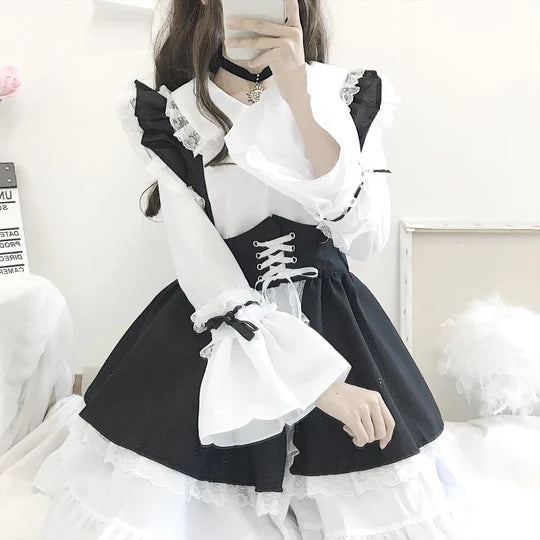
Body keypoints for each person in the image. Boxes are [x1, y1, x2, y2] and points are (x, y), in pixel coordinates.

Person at [33, 0, 465, 538]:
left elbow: (365, 236)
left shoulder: (345, 95)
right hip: (220, 329)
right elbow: (204, 269)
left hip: (338, 325)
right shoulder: (173, 115)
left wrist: (301, 98)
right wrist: (320, 387)